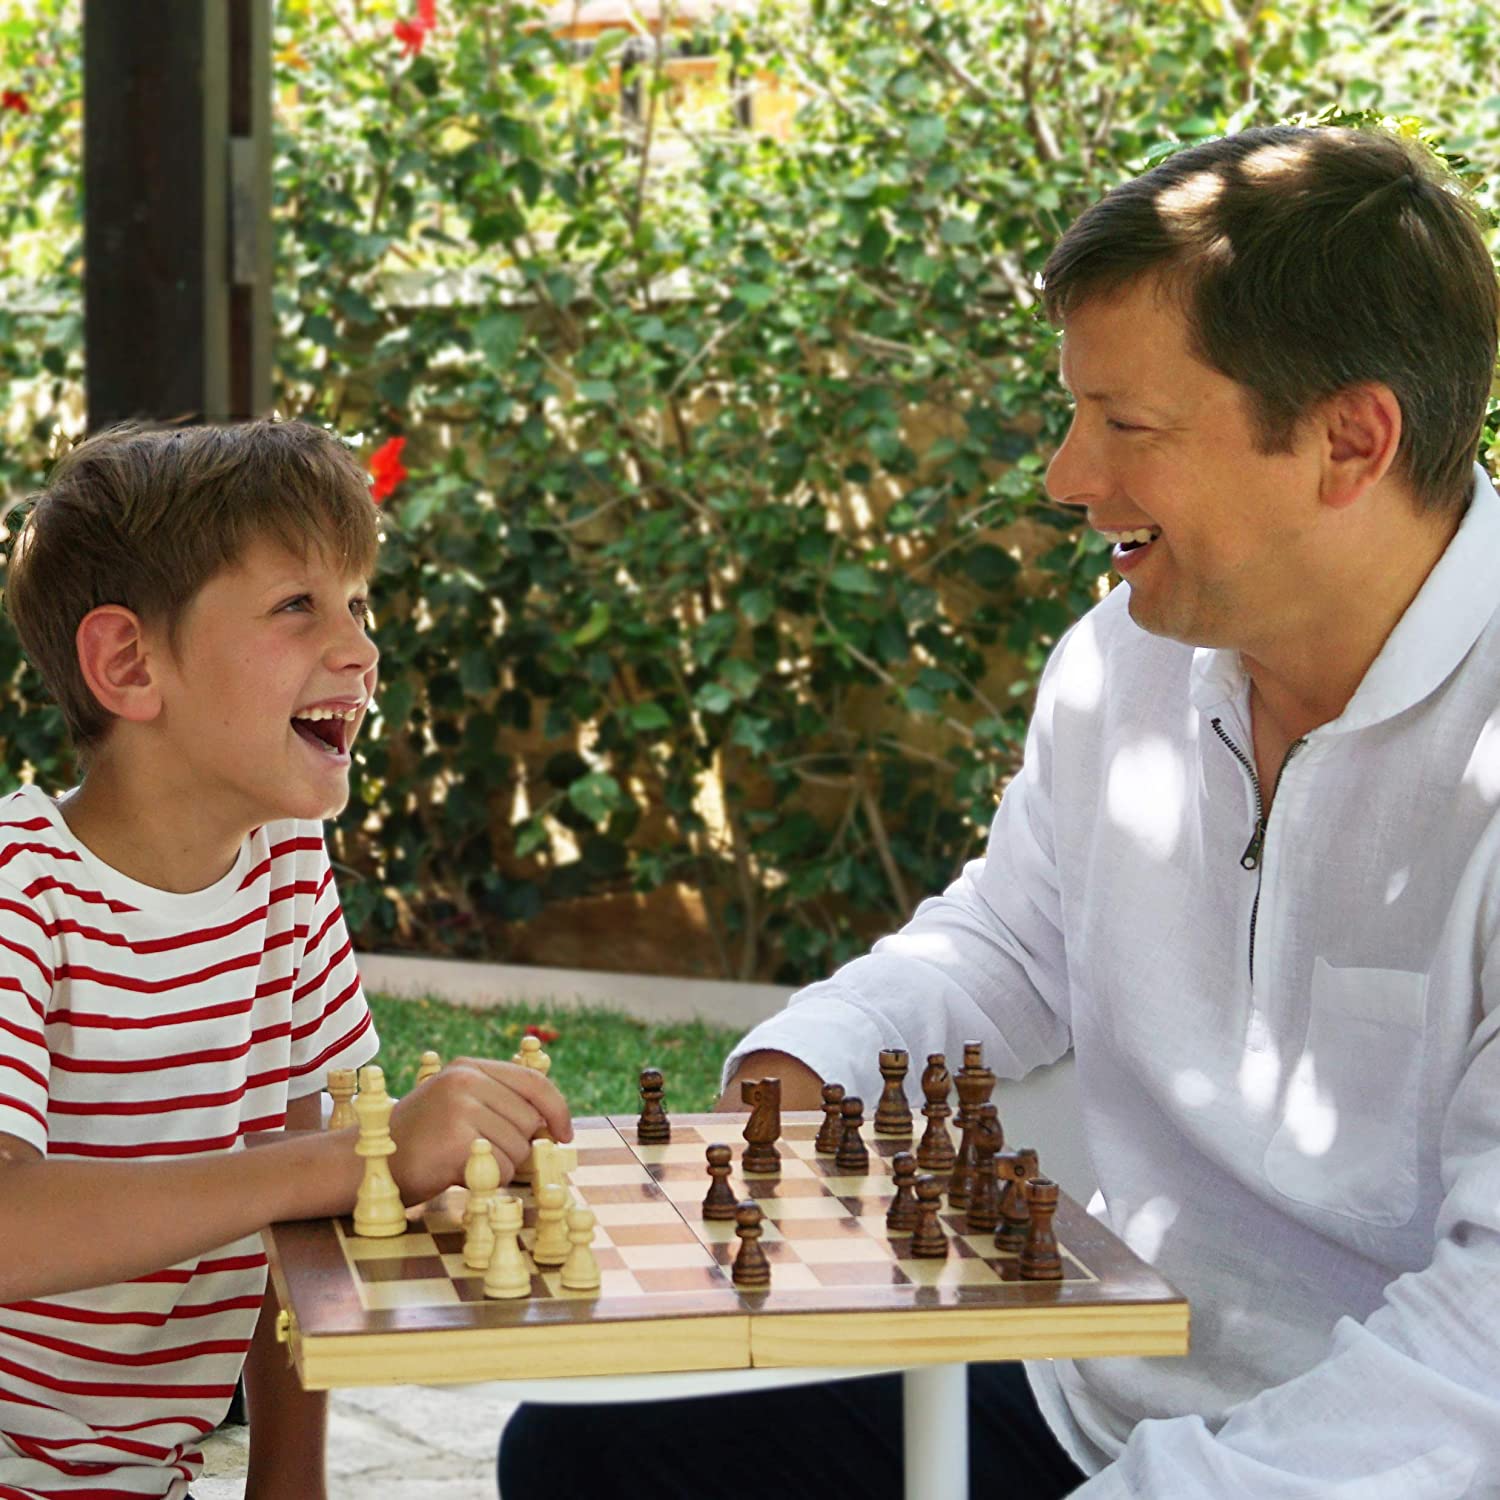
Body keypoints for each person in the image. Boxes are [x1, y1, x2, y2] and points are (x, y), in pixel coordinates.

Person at [499, 123, 1500, 1497]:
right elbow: (1013, 943)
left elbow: (1480, 1361)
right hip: (1093, 1400)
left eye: (1125, 425)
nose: (1065, 478)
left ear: (1349, 439)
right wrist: (812, 1064)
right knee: (578, 1462)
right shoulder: (1121, 667)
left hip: (1369, 1458)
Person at [0, 421, 572, 1500]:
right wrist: (368, 1154)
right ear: (129, 662)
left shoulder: (284, 872)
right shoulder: (21, 891)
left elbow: (301, 1208)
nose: (359, 649)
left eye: (357, 602)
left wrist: (288, 1482)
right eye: (297, 605)